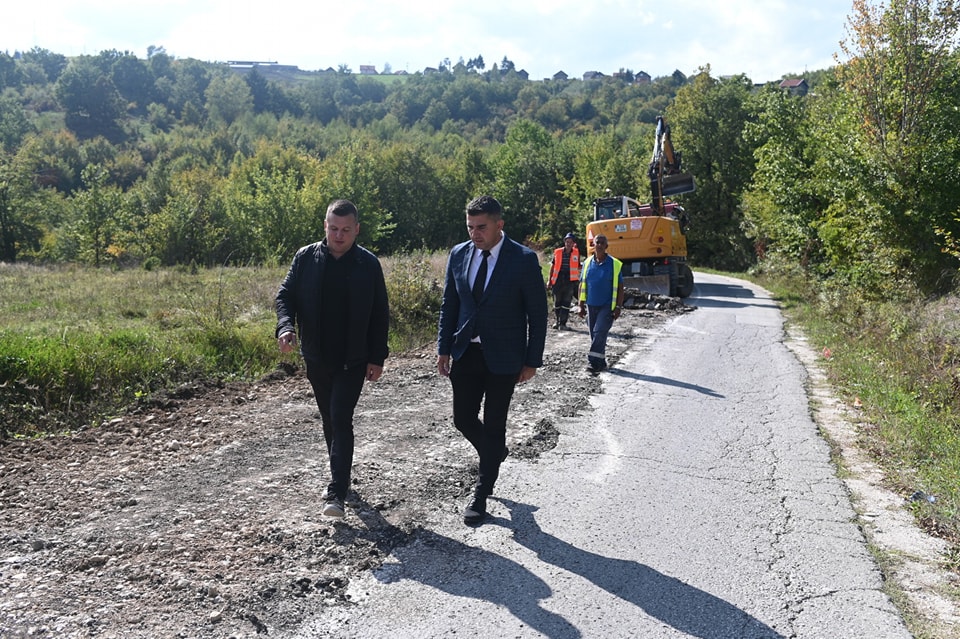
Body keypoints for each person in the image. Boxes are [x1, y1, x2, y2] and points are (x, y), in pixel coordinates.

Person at [437, 195, 548, 526]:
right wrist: (443, 348)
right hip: (466, 352)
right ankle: (495, 451)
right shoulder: (459, 255)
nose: (475, 234)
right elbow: (450, 304)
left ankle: (481, 493)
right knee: (463, 419)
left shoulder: (523, 259)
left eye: (481, 227)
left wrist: (532, 360)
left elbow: (537, 314)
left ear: (499, 224)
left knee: (495, 422)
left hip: (505, 357)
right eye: (470, 227)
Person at [275, 199, 390, 519]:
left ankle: (336, 491)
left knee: (340, 417)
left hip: (353, 358)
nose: (339, 236)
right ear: (325, 226)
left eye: (346, 230)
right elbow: (285, 296)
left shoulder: (368, 264)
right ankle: (341, 474)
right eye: (333, 228)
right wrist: (285, 326)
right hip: (316, 356)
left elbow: (380, 313)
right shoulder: (306, 258)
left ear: (357, 229)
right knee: (329, 418)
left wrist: (377, 356)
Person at [578, 234, 625, 374]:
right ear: (593, 244)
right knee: (595, 334)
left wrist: (618, 307)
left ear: (606, 246)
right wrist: (580, 305)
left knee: (599, 332)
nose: (599, 245)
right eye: (597, 242)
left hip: (607, 306)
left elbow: (620, 288)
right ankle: (601, 362)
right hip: (591, 305)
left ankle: (592, 363)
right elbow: (582, 284)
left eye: (602, 243)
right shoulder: (587, 263)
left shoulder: (614, 264)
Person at [546, 232, 581, 330]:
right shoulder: (558, 252)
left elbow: (578, 266)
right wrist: (549, 280)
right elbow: (552, 267)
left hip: (570, 281)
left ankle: (563, 324)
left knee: (566, 302)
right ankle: (557, 322)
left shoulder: (576, 253)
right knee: (557, 302)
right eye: (567, 241)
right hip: (558, 280)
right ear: (565, 242)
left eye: (570, 242)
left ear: (573, 243)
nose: (568, 244)